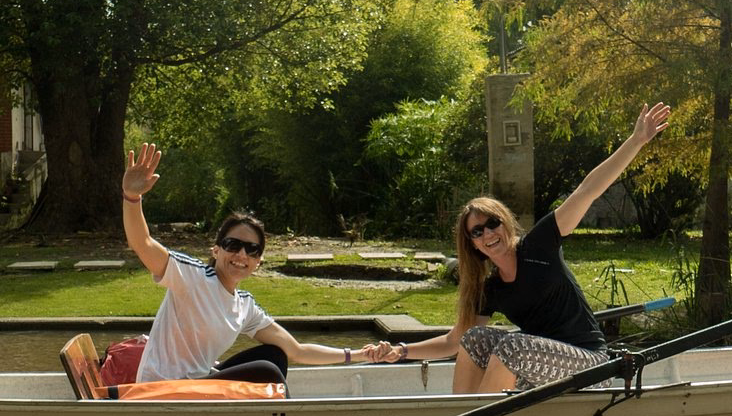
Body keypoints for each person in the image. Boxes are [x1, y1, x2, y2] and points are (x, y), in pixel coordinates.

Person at [371, 102, 672, 394]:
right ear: (473, 245)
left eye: (492, 223)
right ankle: (462, 412)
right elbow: (453, 341)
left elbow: (587, 191)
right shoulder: (491, 288)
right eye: (477, 231)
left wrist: (636, 141)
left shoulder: (539, 245)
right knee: (474, 338)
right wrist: (401, 350)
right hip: (538, 370)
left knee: (512, 346)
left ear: (504, 222)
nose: (488, 233)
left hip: (590, 366)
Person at [122, 143, 372, 386]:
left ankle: (272, 412)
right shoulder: (191, 276)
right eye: (233, 245)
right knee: (267, 370)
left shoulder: (244, 306)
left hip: (198, 385)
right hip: (163, 389)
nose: (241, 254)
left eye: (252, 249)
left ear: (258, 261)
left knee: (274, 355)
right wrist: (132, 197)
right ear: (216, 250)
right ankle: (281, 413)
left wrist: (360, 354)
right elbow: (142, 243)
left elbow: (297, 351)